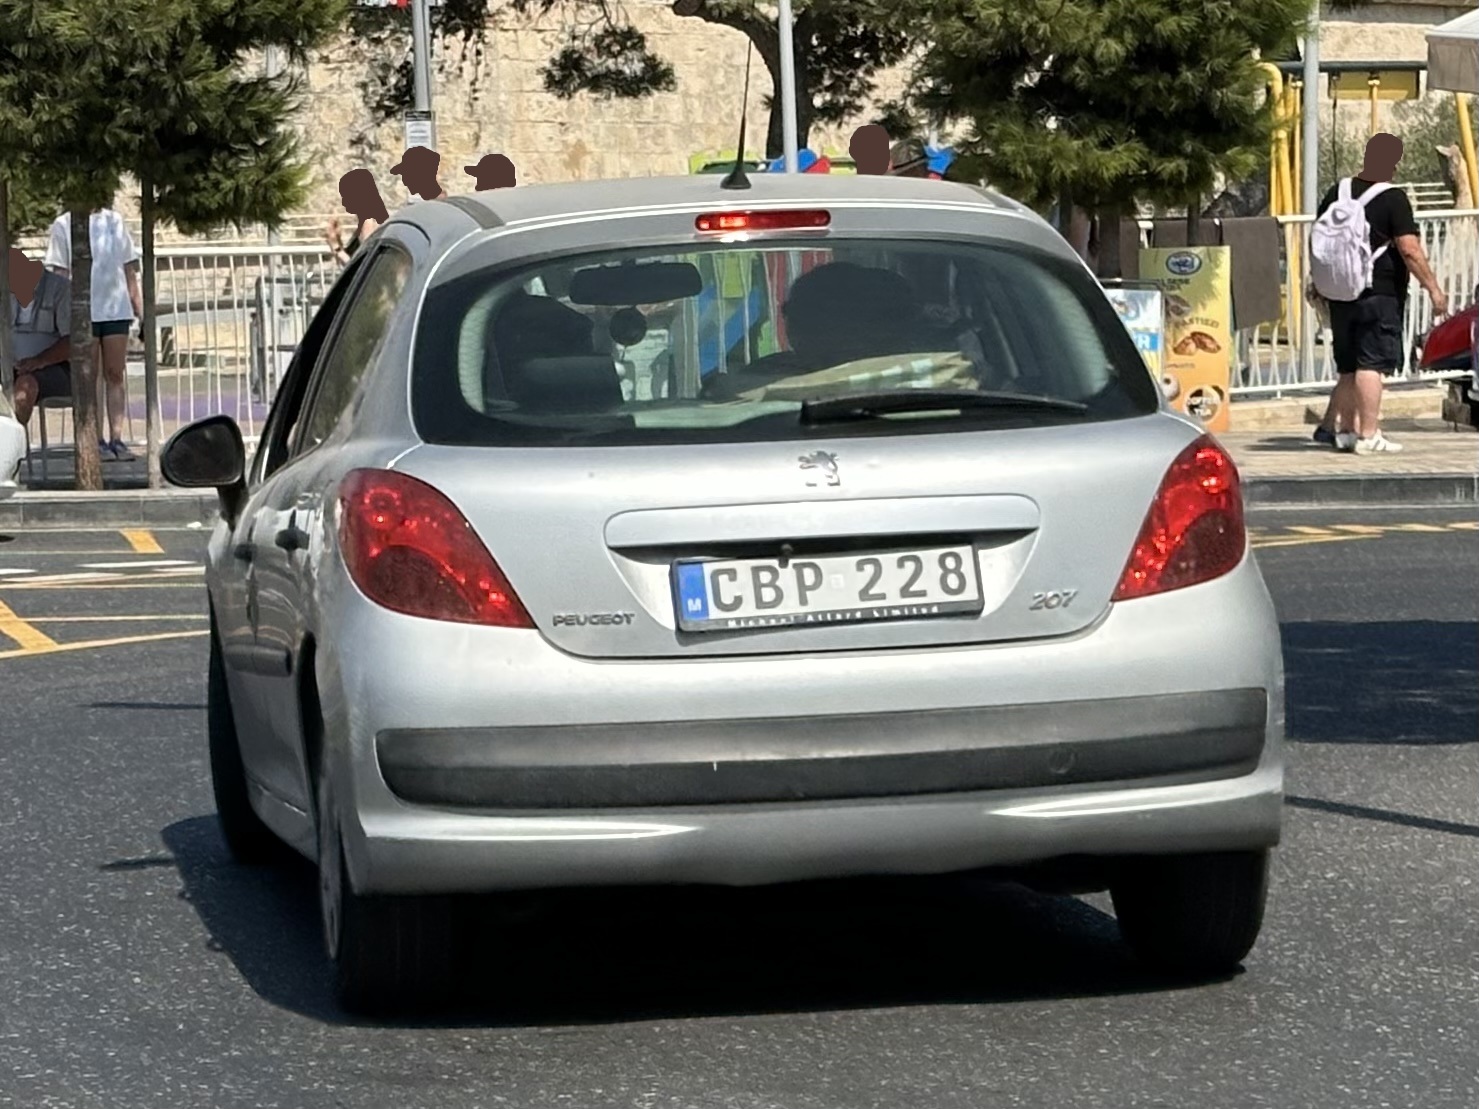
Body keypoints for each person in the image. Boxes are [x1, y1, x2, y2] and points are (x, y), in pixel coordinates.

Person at [1309, 133, 1448, 455]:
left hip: (1340, 292)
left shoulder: (1337, 192)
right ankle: (1369, 435)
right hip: (1379, 293)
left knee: (1348, 367)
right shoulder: (1392, 198)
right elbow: (1410, 250)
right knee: (1372, 365)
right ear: (1393, 163)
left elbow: (1320, 244)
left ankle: (1345, 432)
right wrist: (1433, 288)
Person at [44, 205, 143, 460]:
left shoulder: (115, 221)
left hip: (115, 310)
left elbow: (129, 269)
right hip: (83, 312)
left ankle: (117, 438)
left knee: (115, 373)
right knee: (91, 376)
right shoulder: (64, 224)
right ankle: (95, 439)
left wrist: (139, 308)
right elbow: (60, 272)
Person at [5, 247, 73, 432]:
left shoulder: (60, 289)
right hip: (12, 367)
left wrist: (40, 361)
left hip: (57, 370)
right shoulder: (6, 292)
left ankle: (14, 449)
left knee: (25, 388)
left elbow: (72, 341)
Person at [325, 169, 390, 265]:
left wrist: (335, 245)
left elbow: (360, 265)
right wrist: (337, 238)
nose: (344, 202)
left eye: (346, 196)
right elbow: (351, 258)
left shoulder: (368, 224)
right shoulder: (366, 222)